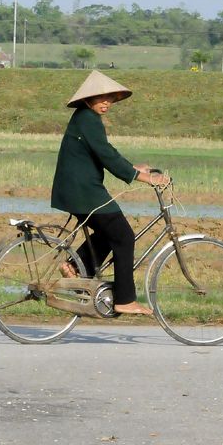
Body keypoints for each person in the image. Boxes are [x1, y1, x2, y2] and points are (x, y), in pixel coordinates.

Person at [50, 70, 169, 316]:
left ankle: (74, 267)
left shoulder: (85, 118)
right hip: (82, 191)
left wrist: (132, 168)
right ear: (87, 99)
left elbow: (105, 152)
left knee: (111, 232)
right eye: (101, 98)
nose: (106, 103)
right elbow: (105, 155)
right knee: (124, 236)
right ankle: (125, 299)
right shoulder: (87, 119)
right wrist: (145, 177)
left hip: (78, 189)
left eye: (110, 99)